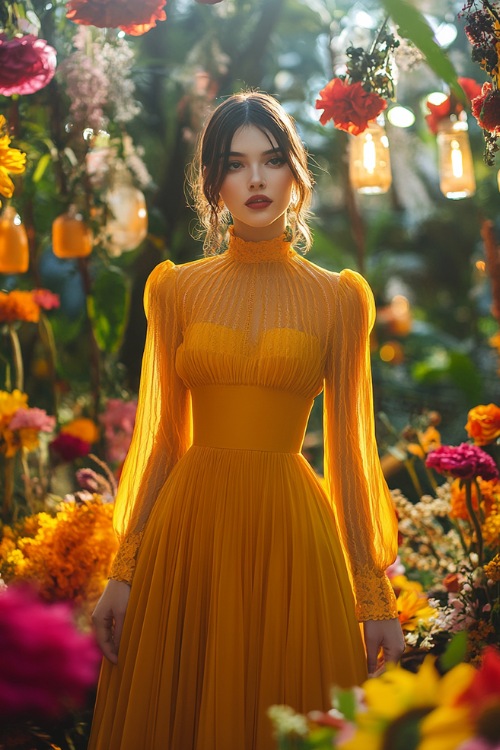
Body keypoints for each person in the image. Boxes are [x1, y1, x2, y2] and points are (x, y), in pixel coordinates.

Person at [89, 91, 405, 750]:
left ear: (295, 175)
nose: (256, 180)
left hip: (291, 538)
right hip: (189, 535)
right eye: (236, 164)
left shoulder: (339, 298)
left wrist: (374, 598)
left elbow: (350, 451)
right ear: (212, 183)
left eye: (271, 161)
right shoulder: (175, 288)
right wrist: (123, 571)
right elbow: (160, 440)